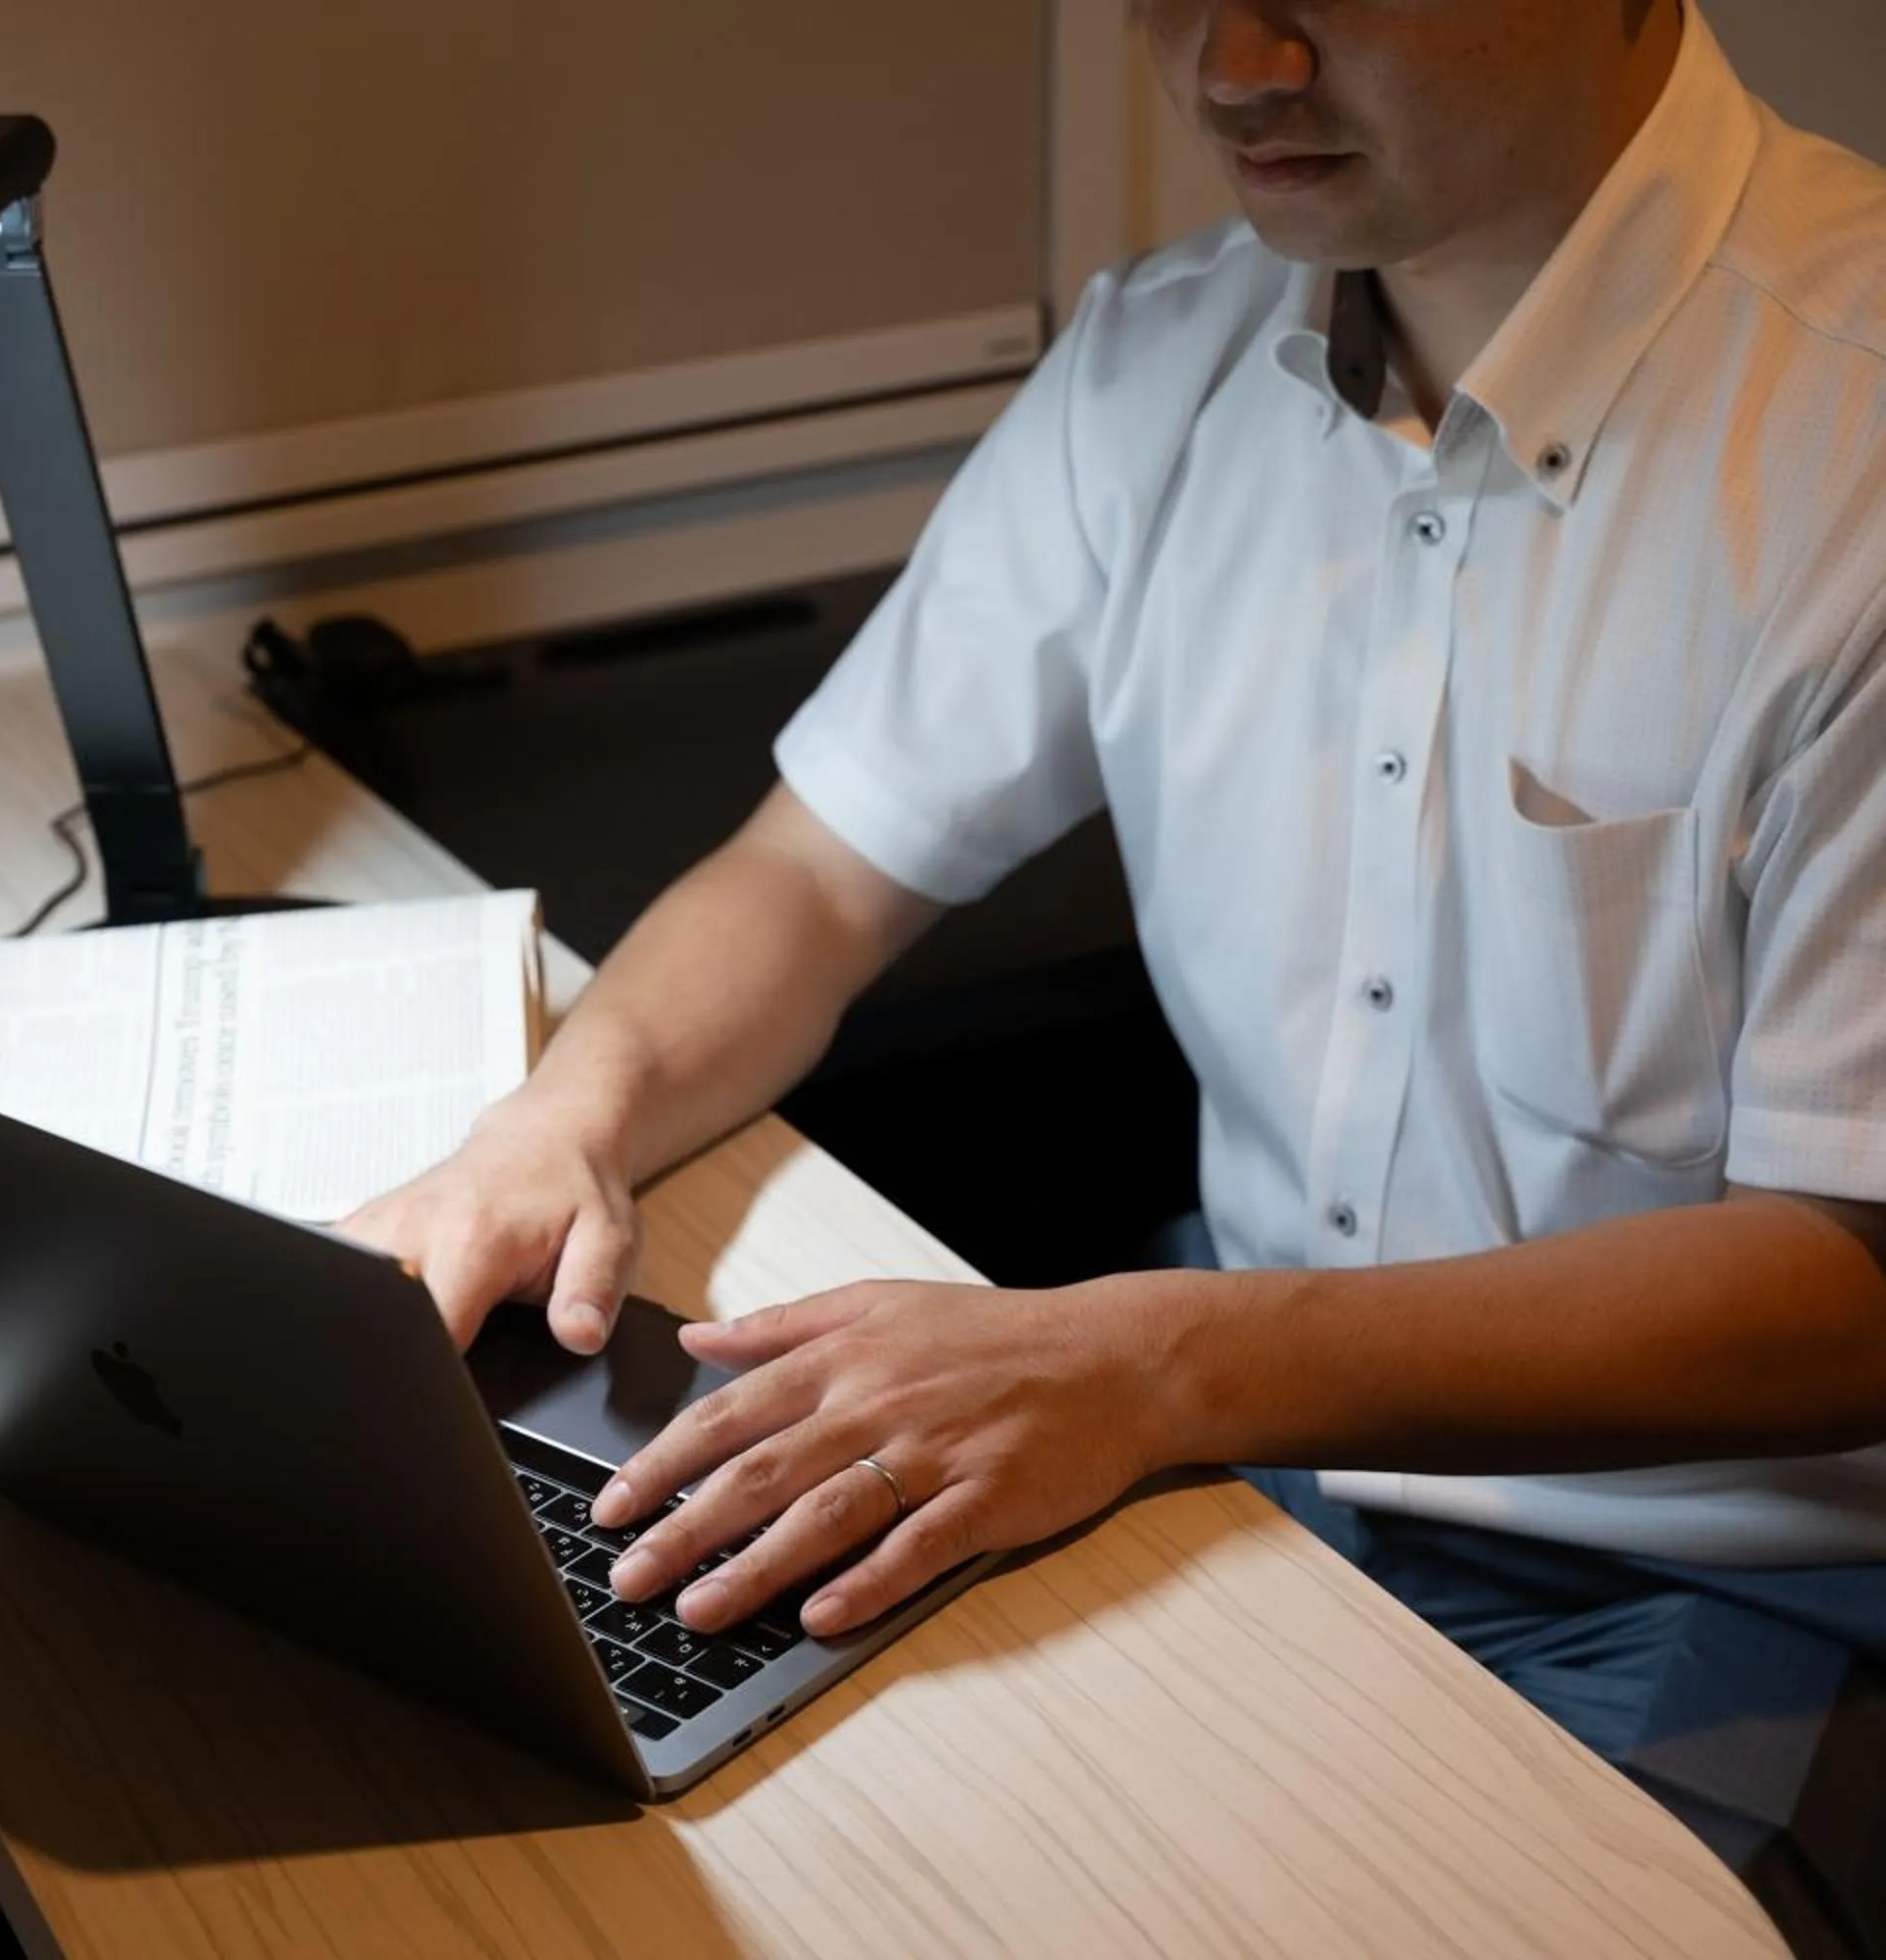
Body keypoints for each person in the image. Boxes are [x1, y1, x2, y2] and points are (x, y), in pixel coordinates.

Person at [344, 0, 1886, 1932]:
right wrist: (561, 1118)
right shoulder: (1162, 357)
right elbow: (818, 870)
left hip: (1732, 1569)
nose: (1229, 64)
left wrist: (1155, 1364)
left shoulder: (1855, 440)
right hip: (1244, 1436)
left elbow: (1847, 1289)